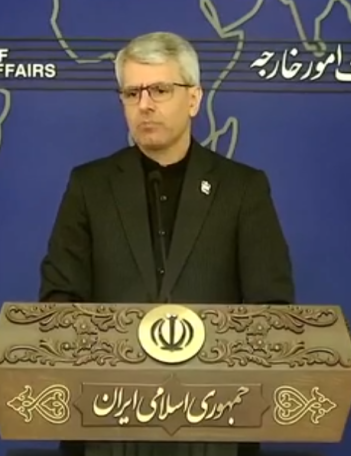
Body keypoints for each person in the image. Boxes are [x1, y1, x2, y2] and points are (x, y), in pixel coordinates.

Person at [38, 31, 296, 456]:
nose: (144, 104)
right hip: (108, 427)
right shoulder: (89, 185)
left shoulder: (243, 188)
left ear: (193, 99)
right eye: (132, 93)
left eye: (159, 90)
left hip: (216, 426)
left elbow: (271, 309)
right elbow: (59, 299)